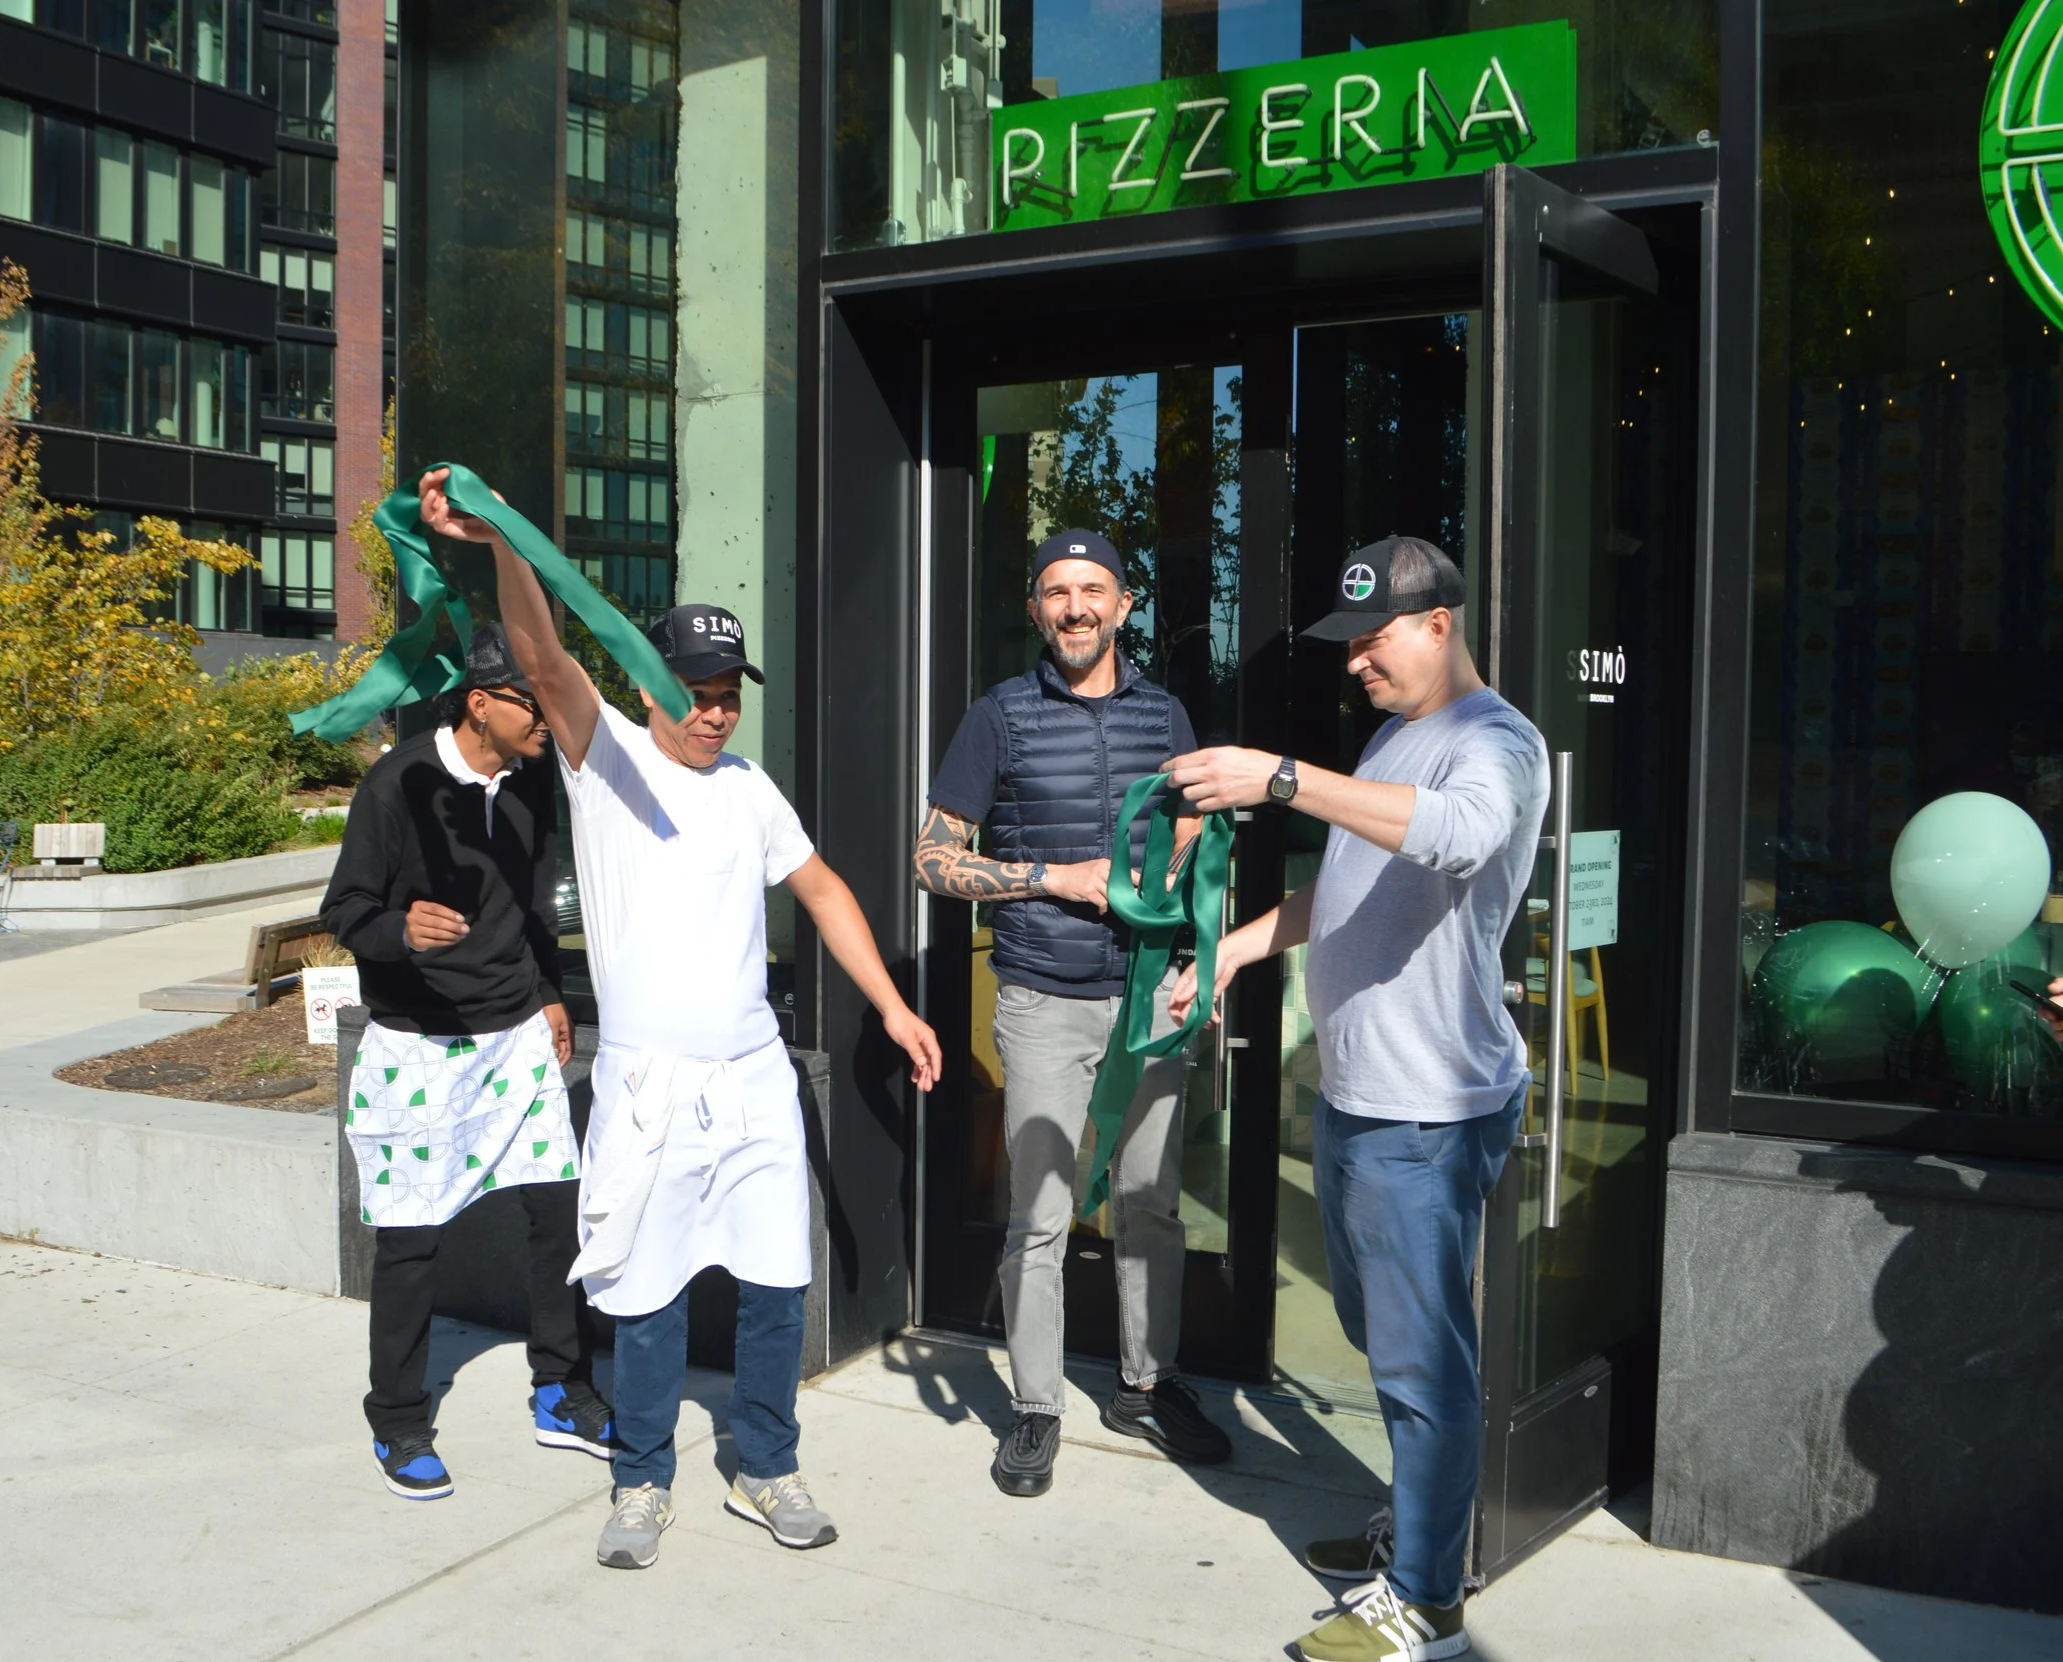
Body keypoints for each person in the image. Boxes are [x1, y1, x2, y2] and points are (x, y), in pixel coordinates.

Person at [416, 468, 942, 1572]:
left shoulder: (749, 787)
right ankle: (643, 1478)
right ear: (653, 682)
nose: (712, 708)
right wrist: (504, 535)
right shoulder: (600, 754)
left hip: (750, 1079)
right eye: (696, 687)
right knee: (645, 1295)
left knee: (773, 1286)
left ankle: (765, 1464)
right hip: (650, 1087)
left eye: (727, 691)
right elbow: (544, 652)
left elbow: (826, 892)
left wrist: (891, 1007)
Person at [1164, 536, 1550, 1662]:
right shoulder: (1394, 736)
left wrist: (1279, 777)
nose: (1355, 666)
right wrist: (1235, 950)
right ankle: (1420, 1529)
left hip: (1429, 1106)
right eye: (1350, 647)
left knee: (1424, 1362)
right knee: (1377, 1337)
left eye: (1372, 640)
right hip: (1357, 1092)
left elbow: (1456, 839)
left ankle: (1426, 1600)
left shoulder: (1496, 742)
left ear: (1439, 624)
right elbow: (1343, 880)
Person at [913, 527, 1232, 1500]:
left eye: (1093, 589)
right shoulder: (998, 719)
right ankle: (1037, 1407)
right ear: (1035, 609)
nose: (1076, 607)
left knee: (1149, 1207)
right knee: (1041, 1218)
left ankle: (1144, 1383)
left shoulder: (1167, 715)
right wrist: (1057, 876)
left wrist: (1197, 959)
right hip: (1044, 1001)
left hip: (1147, 1001)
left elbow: (1200, 833)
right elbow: (931, 859)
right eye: (1057, 591)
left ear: (1123, 606)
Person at [323, 621, 613, 1502]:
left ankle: (560, 1389)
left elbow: (533, 907)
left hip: (514, 1034)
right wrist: (400, 933)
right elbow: (346, 908)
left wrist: (553, 992)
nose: (547, 717)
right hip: (417, 1041)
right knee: (411, 1244)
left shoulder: (530, 785)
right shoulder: (397, 782)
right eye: (533, 701)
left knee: (557, 1216)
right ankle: (399, 1419)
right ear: (480, 703)